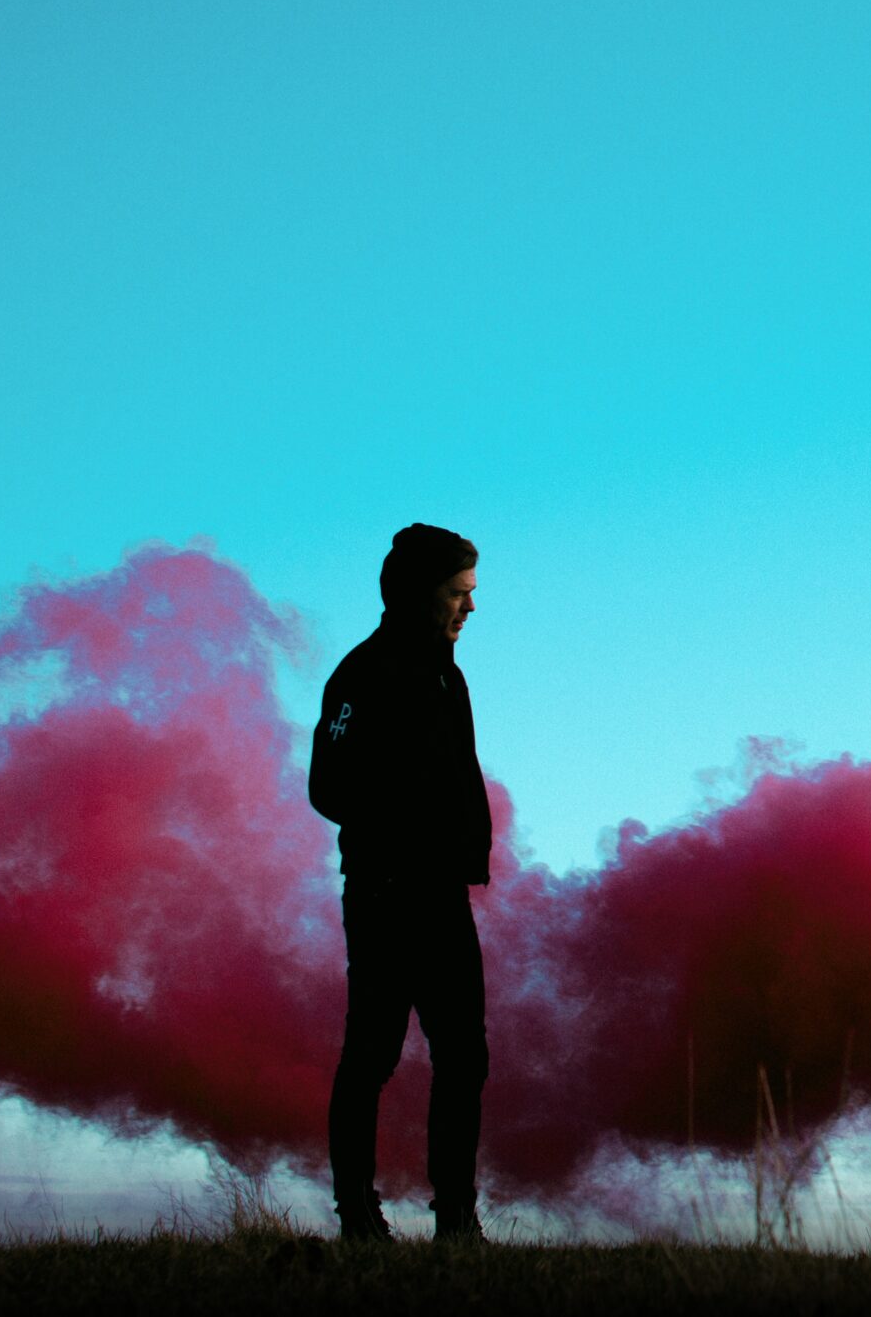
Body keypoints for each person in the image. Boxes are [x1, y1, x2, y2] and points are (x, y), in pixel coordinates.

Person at [308, 524, 495, 1243]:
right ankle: (358, 1217)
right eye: (457, 593)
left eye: (470, 592)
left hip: (443, 894)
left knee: (464, 1056)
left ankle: (457, 1222)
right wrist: (403, 832)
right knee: (373, 1054)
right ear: (418, 593)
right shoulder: (364, 673)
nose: (470, 607)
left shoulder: (449, 675)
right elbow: (327, 785)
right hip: (385, 892)